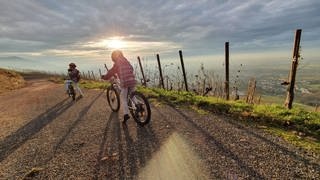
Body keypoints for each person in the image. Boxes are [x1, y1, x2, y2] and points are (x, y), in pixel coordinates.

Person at [101, 50, 136, 123]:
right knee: (132, 95)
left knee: (123, 98)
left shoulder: (117, 63)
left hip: (125, 82)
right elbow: (131, 69)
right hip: (132, 80)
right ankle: (138, 106)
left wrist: (105, 77)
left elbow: (111, 72)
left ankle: (126, 114)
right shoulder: (126, 61)